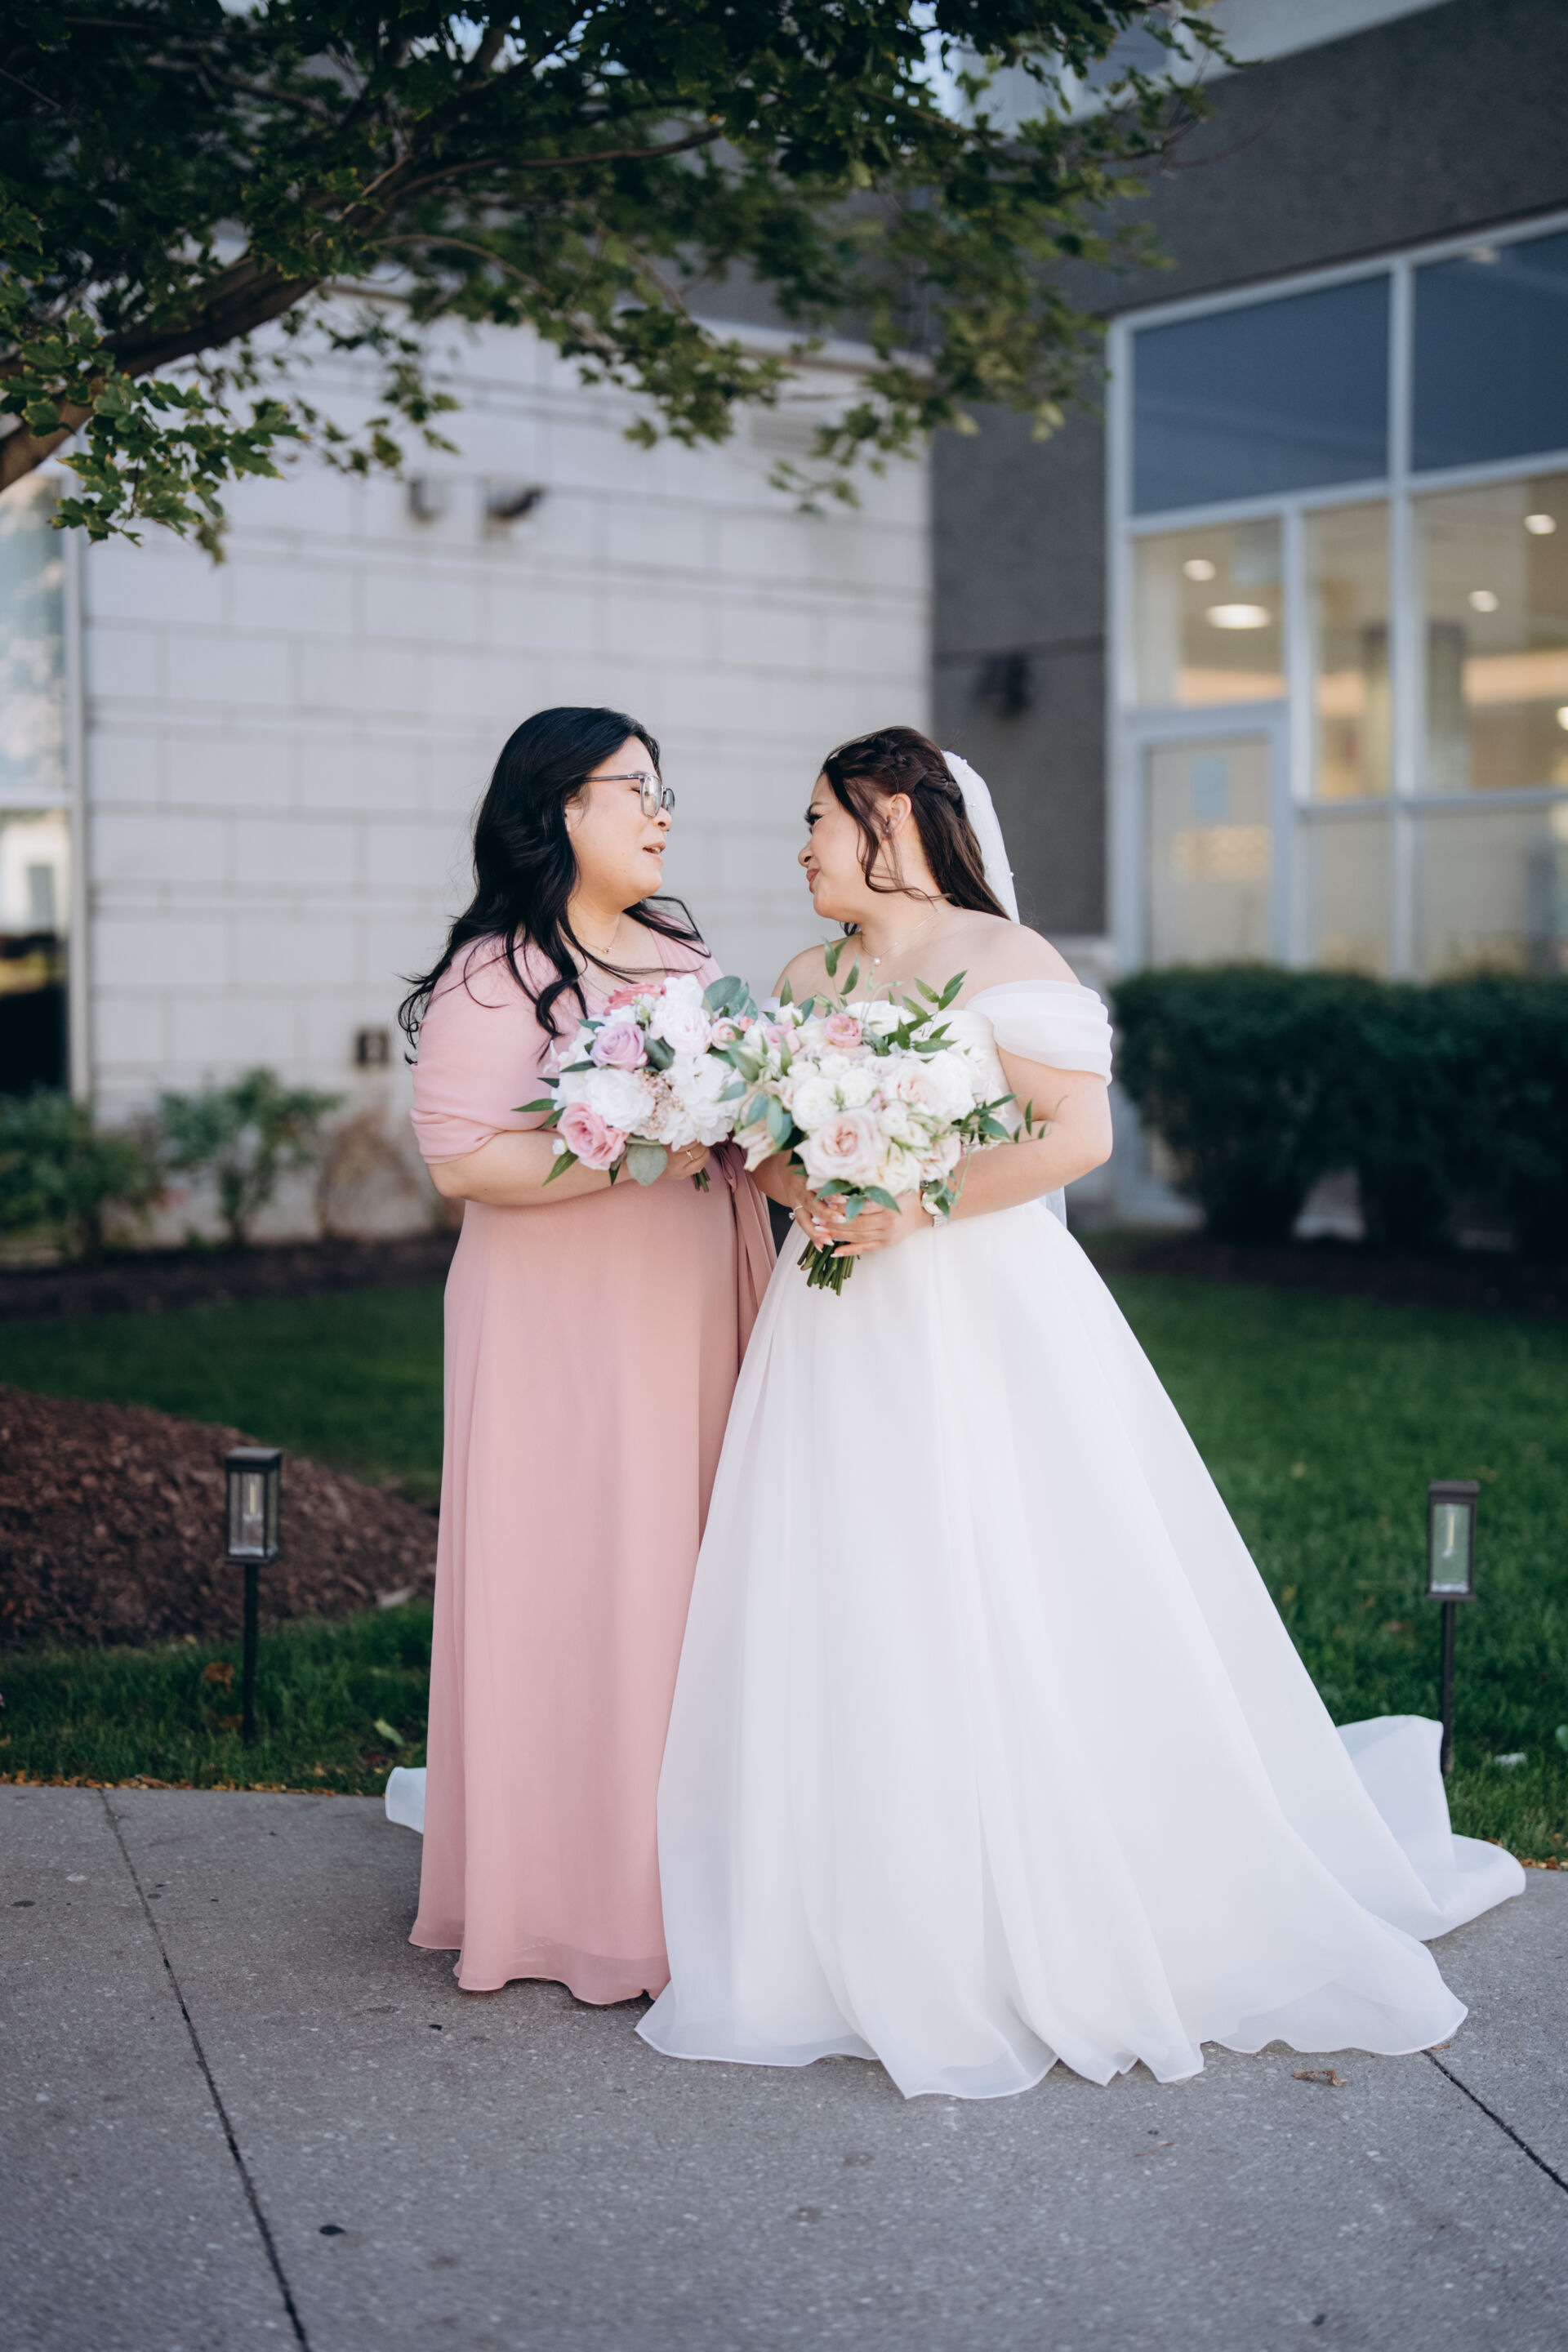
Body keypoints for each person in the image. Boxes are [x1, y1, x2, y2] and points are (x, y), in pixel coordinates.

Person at [639, 725, 1524, 2100]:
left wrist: (915, 1200)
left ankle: (1032, 1883)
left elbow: (1078, 1137)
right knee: (849, 1568)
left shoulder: (1011, 961)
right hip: (834, 1314)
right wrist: (809, 1184)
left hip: (975, 1302)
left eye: (818, 818)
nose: (801, 846)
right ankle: (848, 1879)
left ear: (892, 817)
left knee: (1003, 1566)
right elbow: (767, 1147)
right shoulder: (809, 978)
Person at [386, 707, 773, 2002]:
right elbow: (465, 1164)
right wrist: (635, 1147)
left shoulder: (682, 954)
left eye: (666, 792)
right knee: (576, 1573)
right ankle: (565, 1897)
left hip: (685, 1297)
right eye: (636, 789)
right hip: (556, 1319)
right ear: (562, 806)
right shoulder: (492, 974)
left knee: (682, 1569)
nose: (660, 814)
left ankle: (687, 1877)